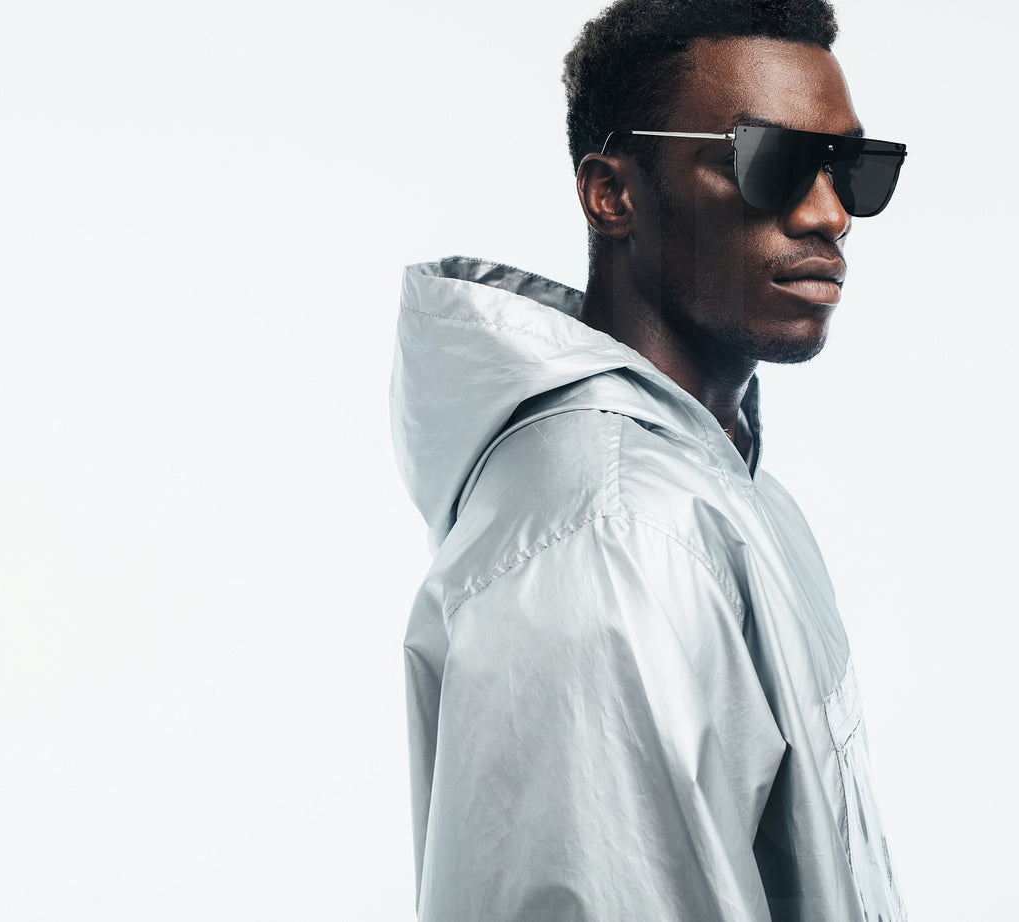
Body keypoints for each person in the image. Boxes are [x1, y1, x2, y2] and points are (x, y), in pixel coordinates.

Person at [390, 1, 910, 919]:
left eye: (852, 169)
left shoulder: (728, 492)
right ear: (613, 194)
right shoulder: (615, 532)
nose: (830, 214)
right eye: (771, 162)